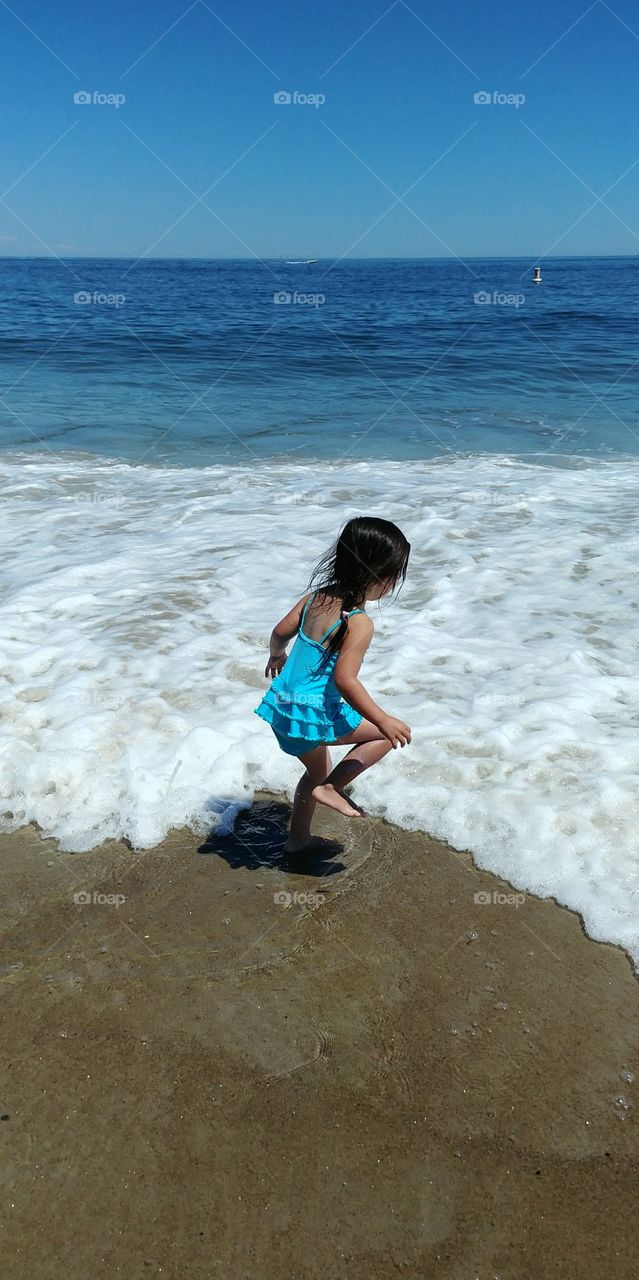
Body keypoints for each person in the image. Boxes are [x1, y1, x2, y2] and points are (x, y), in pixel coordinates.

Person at [255, 516, 412, 852]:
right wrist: (383, 719)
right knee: (385, 736)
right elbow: (344, 680)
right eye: (394, 574)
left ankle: (297, 840)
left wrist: (276, 657)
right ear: (379, 576)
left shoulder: (315, 599)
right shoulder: (359, 622)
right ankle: (332, 788)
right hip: (311, 717)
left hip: (281, 708)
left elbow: (280, 632)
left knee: (314, 773)